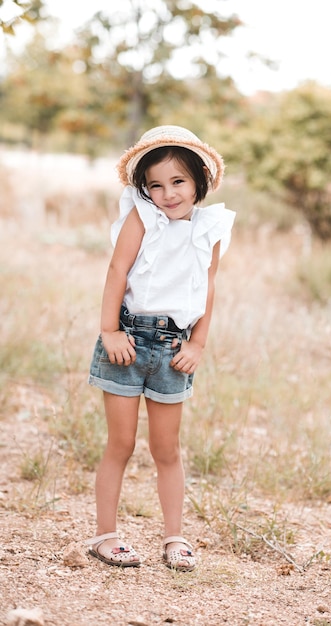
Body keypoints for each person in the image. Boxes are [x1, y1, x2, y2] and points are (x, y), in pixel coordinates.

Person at [85, 125, 235, 571]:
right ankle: (105, 535)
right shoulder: (142, 218)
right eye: (156, 184)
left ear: (199, 182)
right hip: (127, 342)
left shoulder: (211, 228)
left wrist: (199, 343)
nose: (168, 193)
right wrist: (109, 331)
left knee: (167, 449)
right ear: (144, 189)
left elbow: (206, 288)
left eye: (178, 181)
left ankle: (174, 537)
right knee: (121, 443)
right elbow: (117, 271)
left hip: (174, 350)